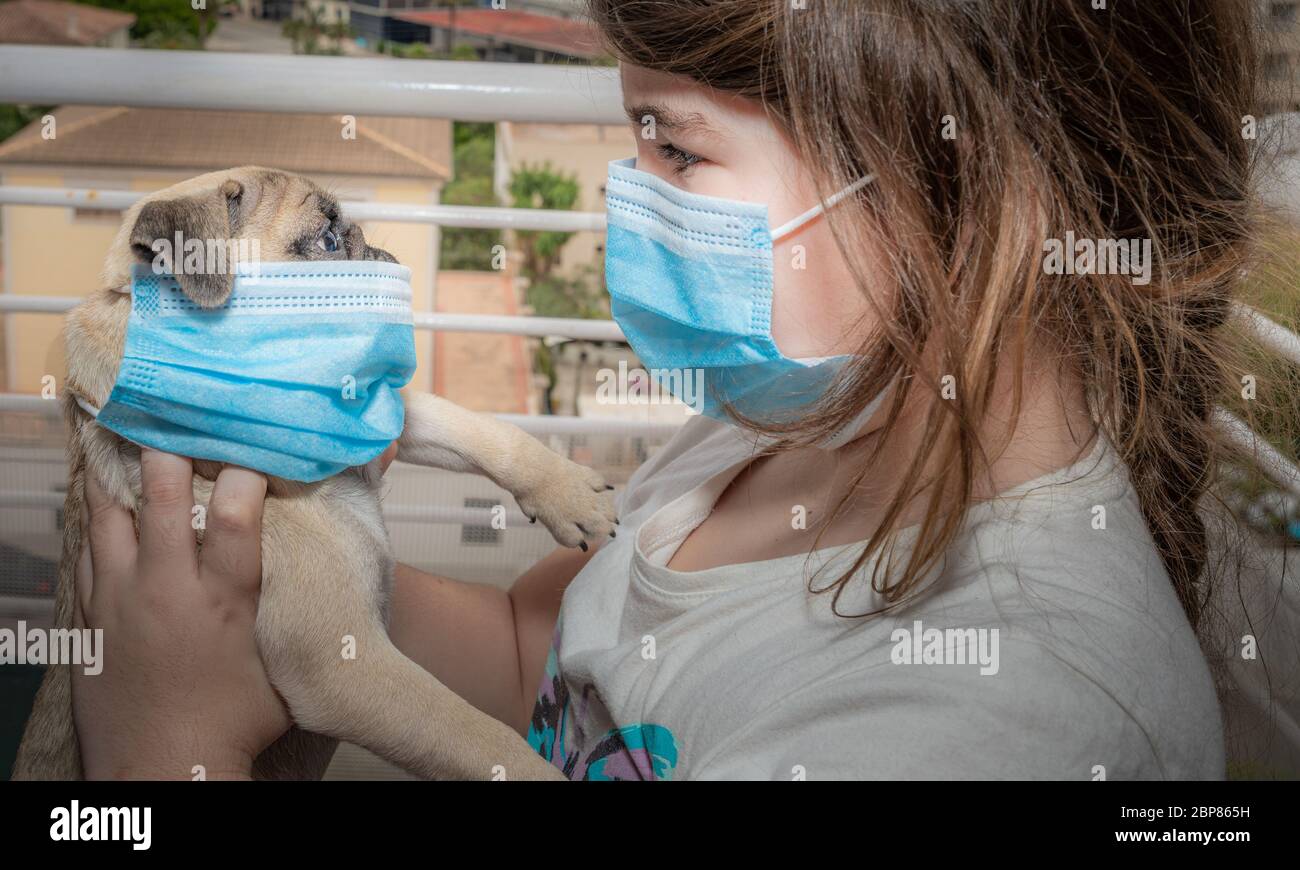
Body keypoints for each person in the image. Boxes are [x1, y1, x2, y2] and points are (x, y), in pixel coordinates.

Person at [74, 0, 1272, 779]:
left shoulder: (1008, 729)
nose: (624, 193)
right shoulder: (797, 420)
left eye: (674, 145)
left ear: (969, 189)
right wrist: (278, 584)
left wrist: (160, 754)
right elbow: (538, 654)